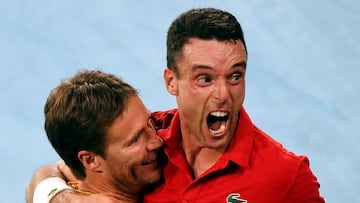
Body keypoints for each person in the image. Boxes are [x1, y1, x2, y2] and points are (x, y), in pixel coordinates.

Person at [26, 8, 325, 202]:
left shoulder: (286, 175)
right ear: (171, 82)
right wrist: (66, 199)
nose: (223, 94)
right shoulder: (153, 139)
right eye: (204, 79)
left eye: (235, 75)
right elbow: (54, 171)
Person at [26, 70, 164, 203]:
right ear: (90, 160)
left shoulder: (80, 175)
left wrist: (60, 197)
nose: (157, 142)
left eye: (150, 123)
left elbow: (51, 172)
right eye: (135, 140)